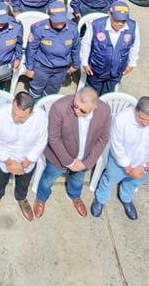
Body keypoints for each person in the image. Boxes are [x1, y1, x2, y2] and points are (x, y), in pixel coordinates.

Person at [35, 86, 111, 219]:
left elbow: (103, 139)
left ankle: (74, 196)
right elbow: (54, 138)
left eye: (82, 110)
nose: (76, 111)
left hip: (85, 158)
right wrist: (68, 162)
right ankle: (41, 197)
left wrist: (86, 163)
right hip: (58, 158)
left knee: (78, 180)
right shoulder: (59, 108)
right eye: (75, 105)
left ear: (94, 107)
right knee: (48, 179)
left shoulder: (104, 111)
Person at [92, 96, 149, 220]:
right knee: (110, 179)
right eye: (142, 118)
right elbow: (117, 147)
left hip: (145, 165)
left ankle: (126, 198)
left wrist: (145, 168)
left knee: (134, 182)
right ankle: (101, 199)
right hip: (120, 163)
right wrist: (128, 169)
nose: (145, 123)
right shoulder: (121, 119)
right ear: (136, 111)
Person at [0, 91, 47, 221]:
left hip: (27, 160)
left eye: (21, 117)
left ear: (31, 112)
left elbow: (41, 141)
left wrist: (26, 163)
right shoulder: (0, 115)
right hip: (4, 158)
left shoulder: (41, 117)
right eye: (14, 113)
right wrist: (9, 162)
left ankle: (21, 198)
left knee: (24, 183)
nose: (16, 118)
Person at [25, 1, 80, 99]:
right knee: (36, 90)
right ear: (49, 16)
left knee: (52, 92)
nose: (59, 23)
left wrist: (76, 65)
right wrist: (29, 68)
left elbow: (75, 48)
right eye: (56, 20)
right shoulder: (38, 28)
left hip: (61, 69)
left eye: (62, 20)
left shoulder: (73, 28)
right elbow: (31, 49)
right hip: (42, 67)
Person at [82, 3, 138, 95]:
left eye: (123, 21)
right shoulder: (97, 25)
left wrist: (132, 62)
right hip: (97, 69)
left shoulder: (133, 26)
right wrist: (84, 62)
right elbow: (86, 44)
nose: (120, 23)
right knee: (90, 94)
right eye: (117, 20)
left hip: (117, 71)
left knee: (107, 95)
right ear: (109, 14)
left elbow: (135, 45)